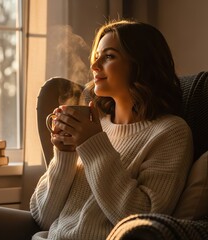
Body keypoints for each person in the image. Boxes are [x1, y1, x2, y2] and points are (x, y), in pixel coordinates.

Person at [30, 19, 194, 240]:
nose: (94, 66)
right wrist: (65, 156)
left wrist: (94, 145)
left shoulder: (170, 132)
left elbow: (143, 223)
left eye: (108, 56)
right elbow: (43, 217)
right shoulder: (95, 125)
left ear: (141, 64)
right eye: (96, 56)